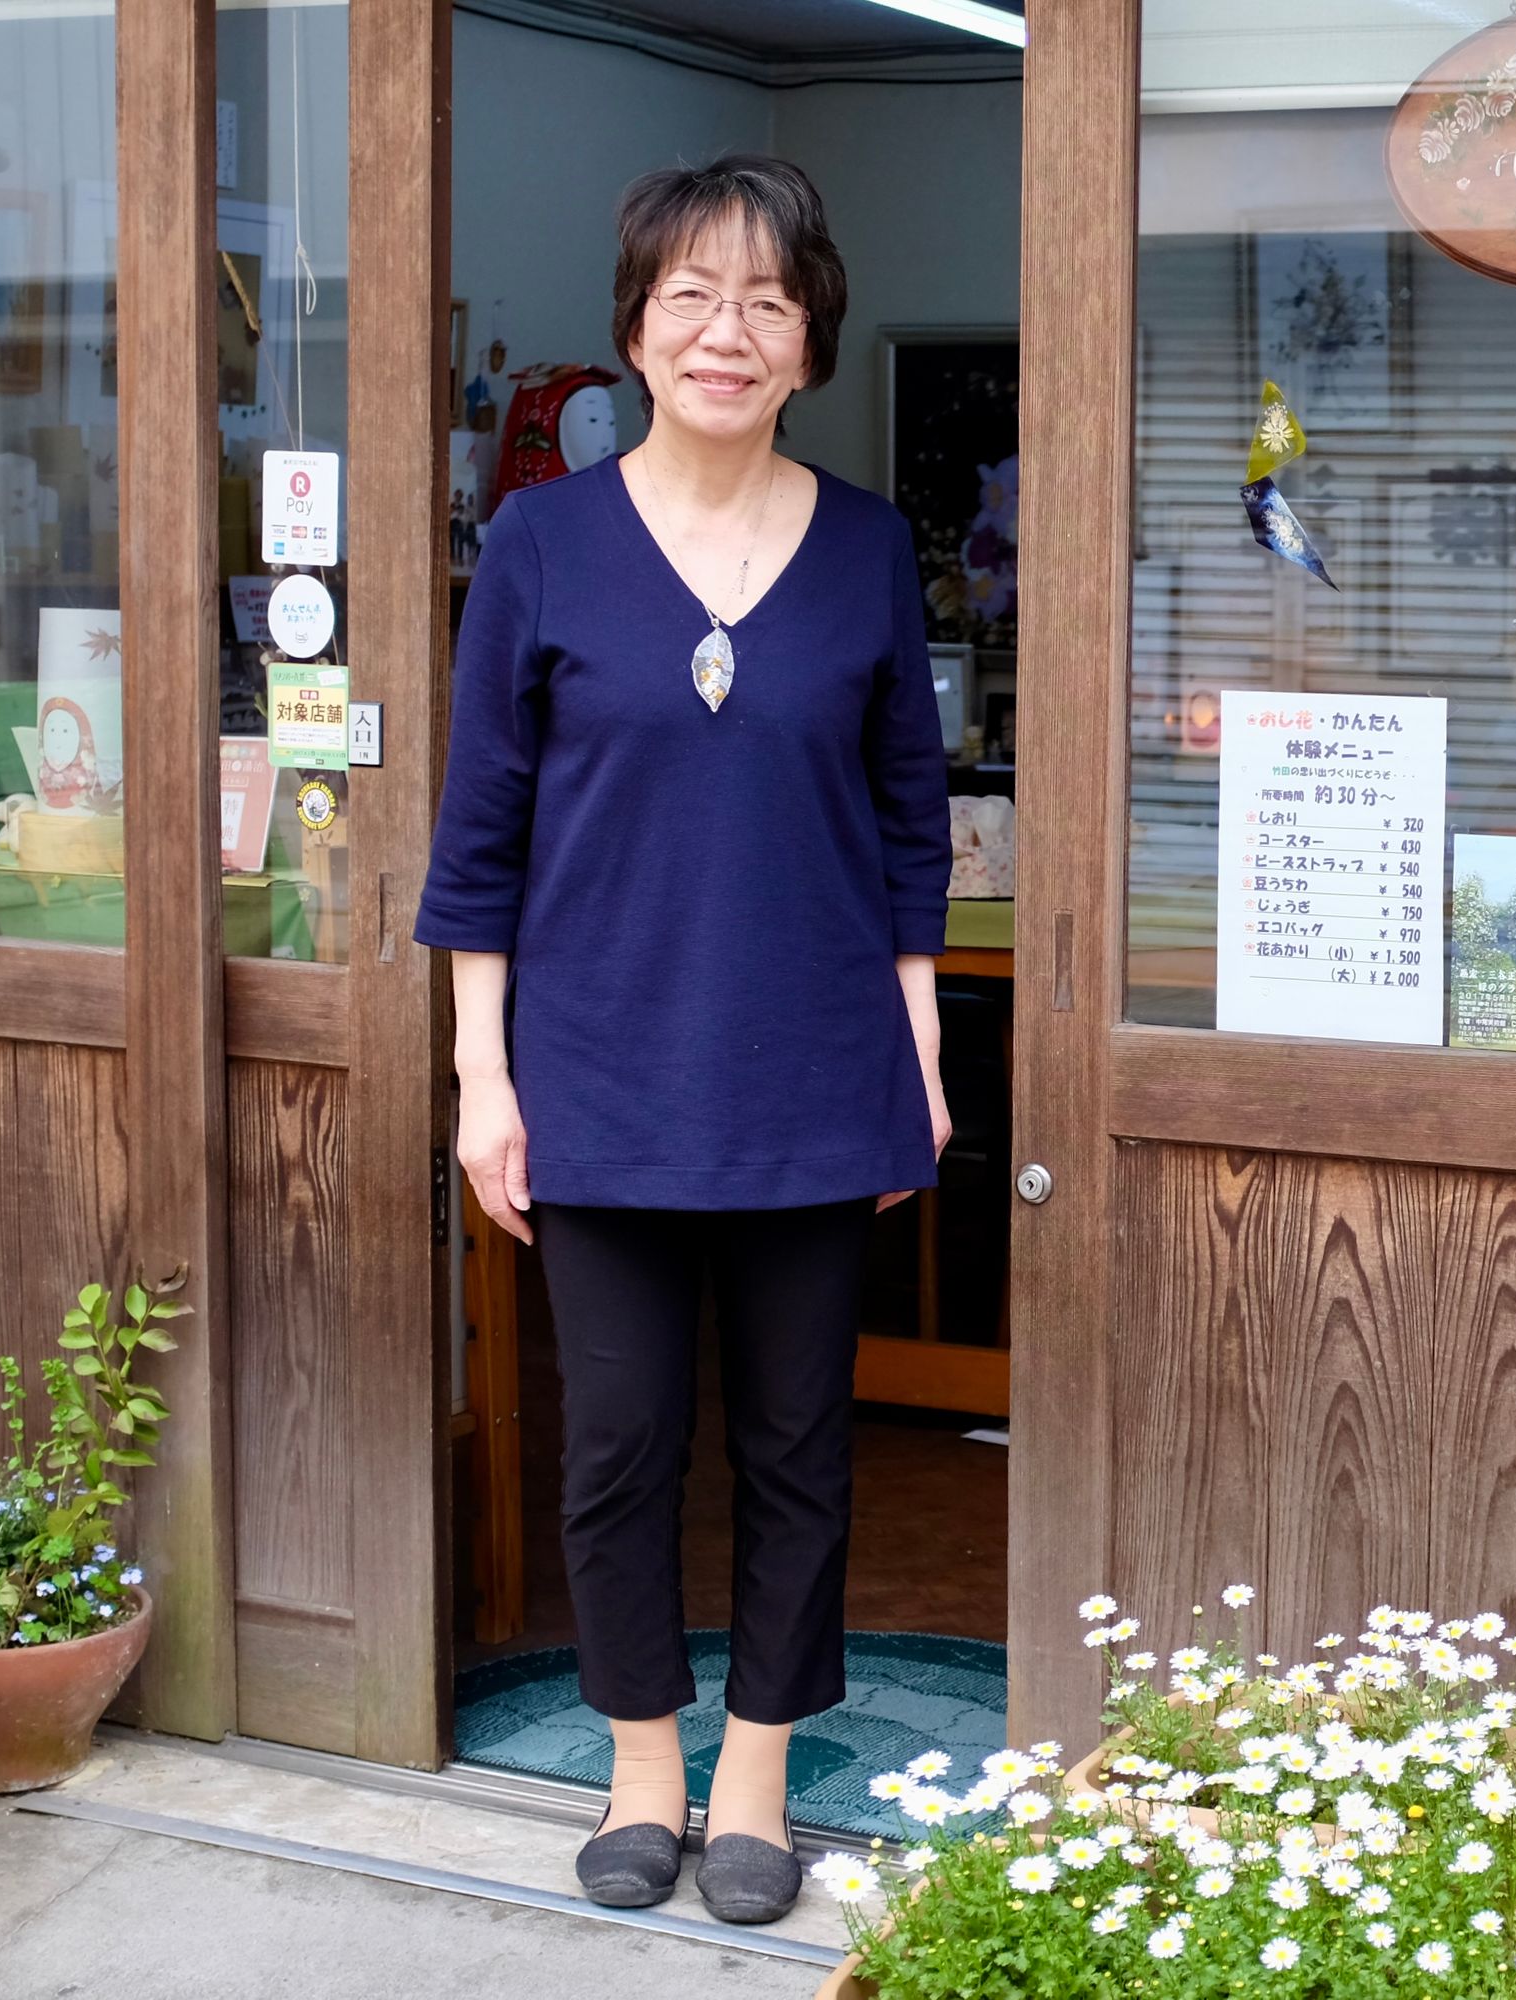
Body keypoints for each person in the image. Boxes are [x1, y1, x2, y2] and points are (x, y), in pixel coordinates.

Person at [415, 154, 952, 1925]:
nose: (730, 330)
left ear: (810, 340)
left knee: (801, 1440)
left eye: (769, 300)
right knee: (620, 1442)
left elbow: (905, 833)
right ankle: (643, 1762)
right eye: (695, 297)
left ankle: (755, 1780)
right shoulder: (544, 546)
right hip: (600, 1076)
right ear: (638, 328)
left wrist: (921, 1065)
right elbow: (480, 832)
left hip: (813, 1078)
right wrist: (483, 1079)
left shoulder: (870, 550)